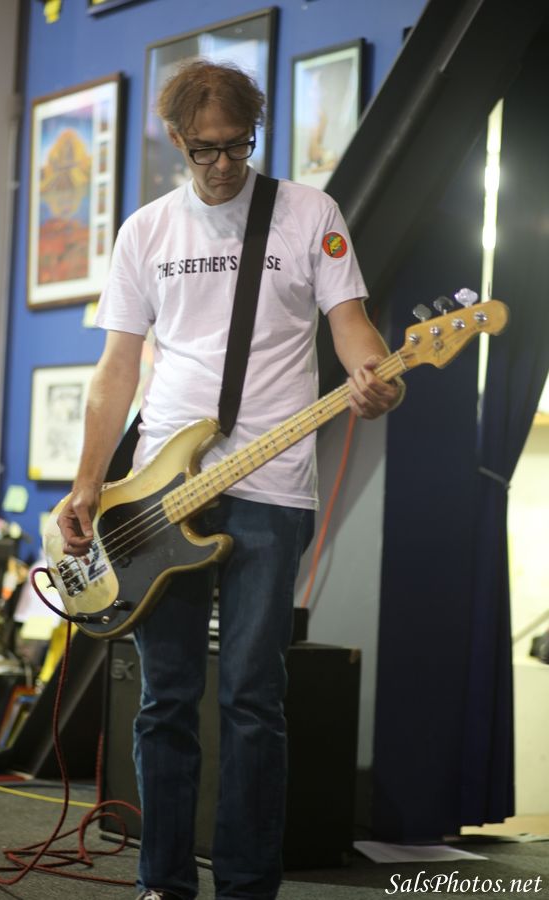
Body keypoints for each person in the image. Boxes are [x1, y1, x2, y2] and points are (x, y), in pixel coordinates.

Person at [57, 60, 404, 900]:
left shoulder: (308, 213)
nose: (222, 165)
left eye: (238, 146)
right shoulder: (145, 231)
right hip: (157, 492)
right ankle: (162, 883)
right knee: (165, 699)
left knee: (254, 697)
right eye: (205, 150)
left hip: (271, 485)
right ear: (176, 140)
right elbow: (117, 369)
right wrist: (88, 482)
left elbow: (352, 325)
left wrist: (376, 378)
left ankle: (248, 888)